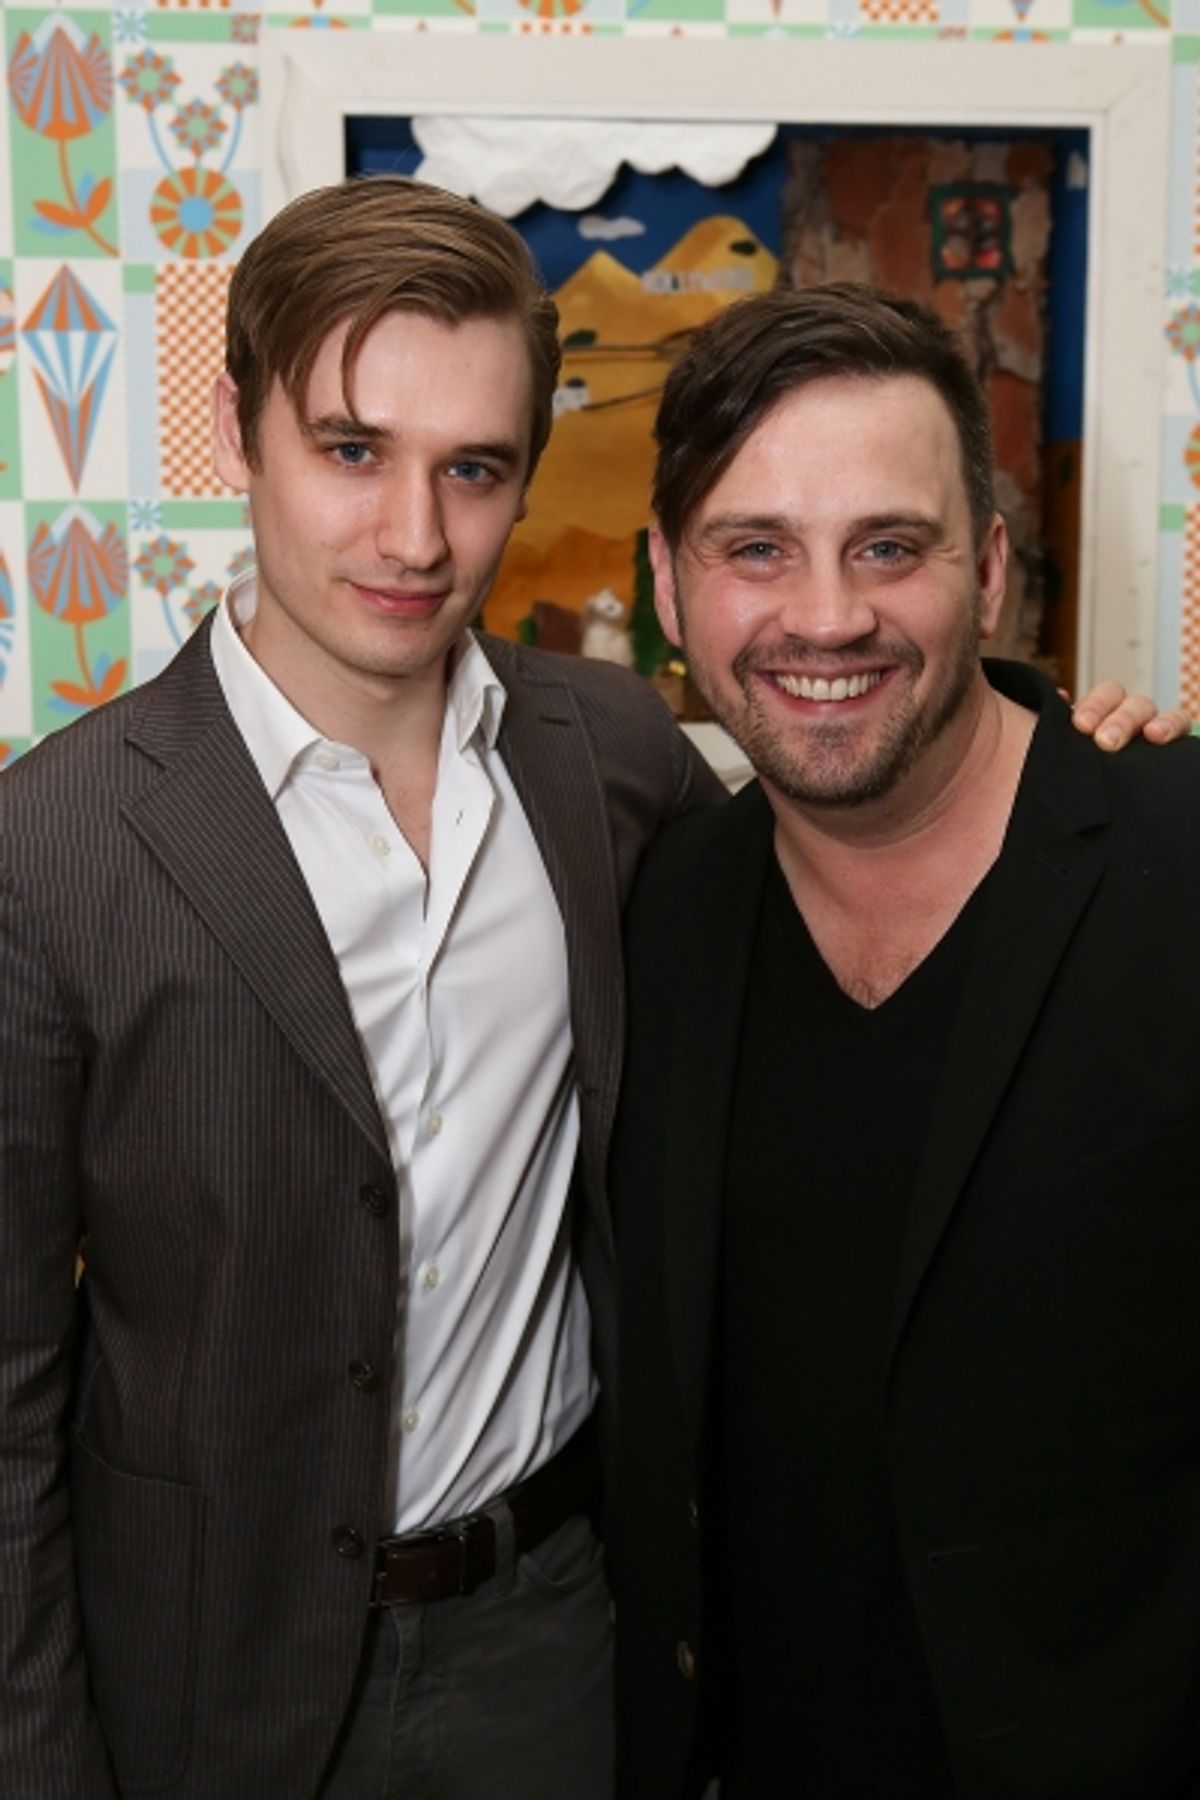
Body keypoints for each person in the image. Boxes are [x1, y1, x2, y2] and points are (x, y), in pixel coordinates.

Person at [0, 181, 1176, 1800]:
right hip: (212, 1667)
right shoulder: (52, 841)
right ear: (236, 433)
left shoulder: (612, 764)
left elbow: (886, 793)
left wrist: (1078, 744)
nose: (415, 536)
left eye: (474, 469)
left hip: (559, 1638)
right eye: (353, 449)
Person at [610, 283, 1200, 1800]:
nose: (825, 616)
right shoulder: (657, 910)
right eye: (756, 550)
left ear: (991, 574)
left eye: (891, 545)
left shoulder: (1175, 855)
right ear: (671, 591)